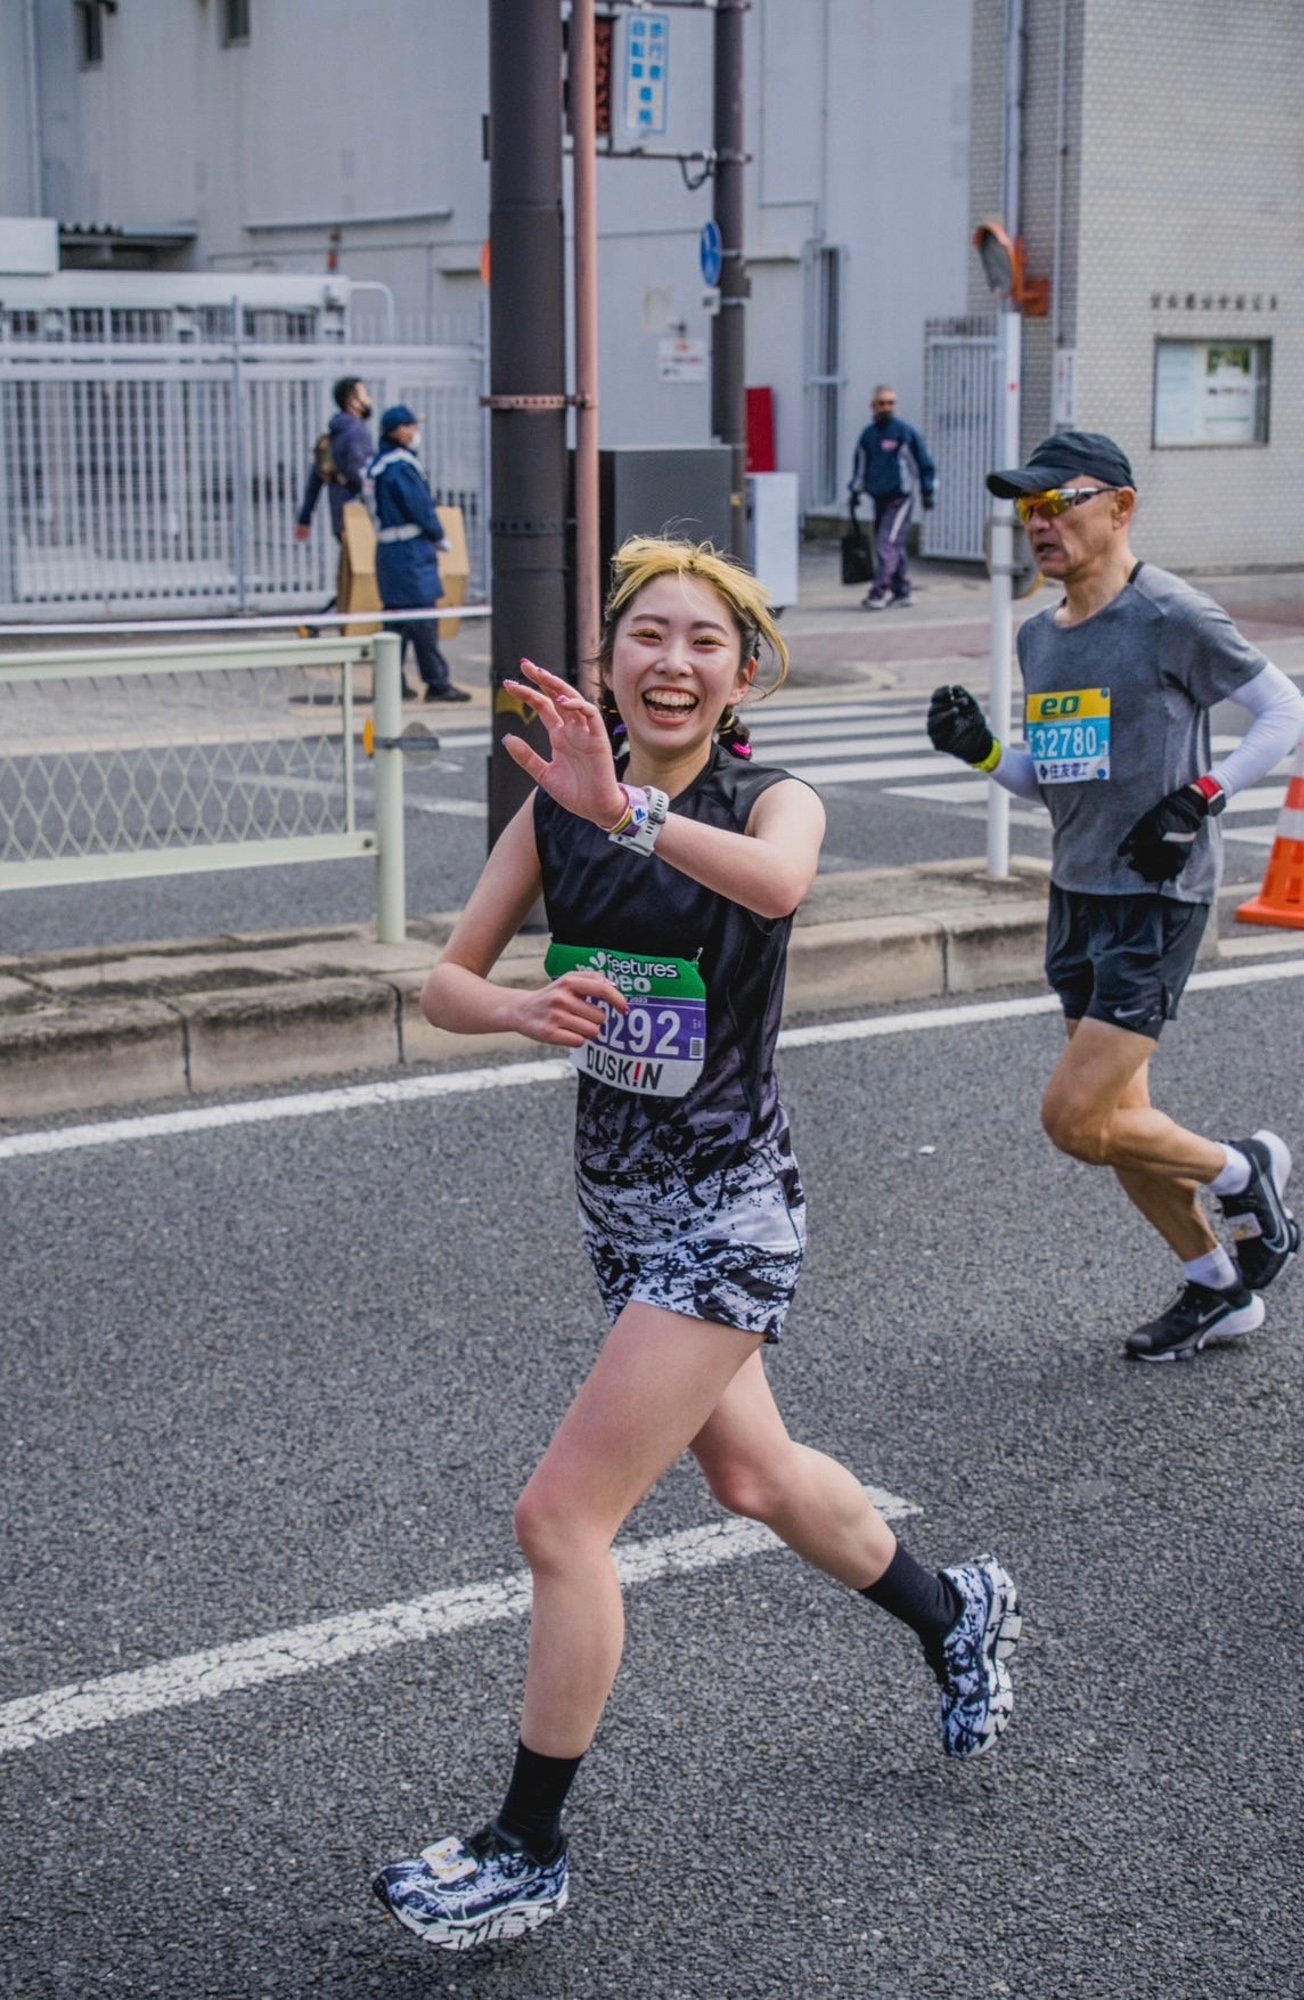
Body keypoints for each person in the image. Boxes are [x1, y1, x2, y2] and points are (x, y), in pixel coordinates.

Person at [371, 536, 1021, 1952]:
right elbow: (442, 984)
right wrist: (524, 1012)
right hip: (618, 1210)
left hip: (730, 1210)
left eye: (704, 642)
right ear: (607, 663)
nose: (671, 661)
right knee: (752, 1474)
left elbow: (778, 887)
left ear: (742, 675)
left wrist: (636, 815)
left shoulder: (767, 798)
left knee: (560, 1521)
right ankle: (949, 1608)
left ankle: (527, 1847)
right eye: (645, 636)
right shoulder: (550, 817)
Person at [927, 431, 1304, 1362]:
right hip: (1076, 894)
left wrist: (1200, 797)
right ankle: (1218, 1285)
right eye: (1028, 509)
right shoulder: (1036, 635)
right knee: (1118, 1127)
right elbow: (1051, 776)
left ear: (1120, 508)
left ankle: (1241, 1169)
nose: (1039, 524)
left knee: (1074, 1119)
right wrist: (979, 750)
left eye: (1058, 503)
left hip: (1155, 893)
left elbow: (1288, 713)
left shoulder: (1169, 613)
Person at [364, 404, 470, 703]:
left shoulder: (380, 464)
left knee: (395, 622)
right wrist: (438, 535)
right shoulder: (401, 466)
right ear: (398, 431)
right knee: (423, 620)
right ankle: (437, 683)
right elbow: (420, 506)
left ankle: (389, 684)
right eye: (412, 426)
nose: (416, 432)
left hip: (389, 553)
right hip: (411, 554)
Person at [848, 385, 937, 610]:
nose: (886, 407)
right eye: (881, 403)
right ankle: (903, 590)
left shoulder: (905, 433)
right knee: (894, 546)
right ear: (873, 406)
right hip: (879, 499)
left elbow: (924, 464)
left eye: (890, 403)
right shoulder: (868, 436)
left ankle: (877, 592)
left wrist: (928, 491)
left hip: (901, 499)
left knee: (885, 544)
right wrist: (854, 492)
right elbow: (860, 467)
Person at [294, 375, 375, 548]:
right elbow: (361, 473)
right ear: (353, 402)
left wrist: (305, 518)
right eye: (366, 394)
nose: (370, 399)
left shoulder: (334, 435)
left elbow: (315, 479)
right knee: (367, 571)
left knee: (350, 570)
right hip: (361, 515)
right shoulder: (357, 432)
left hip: (340, 515)